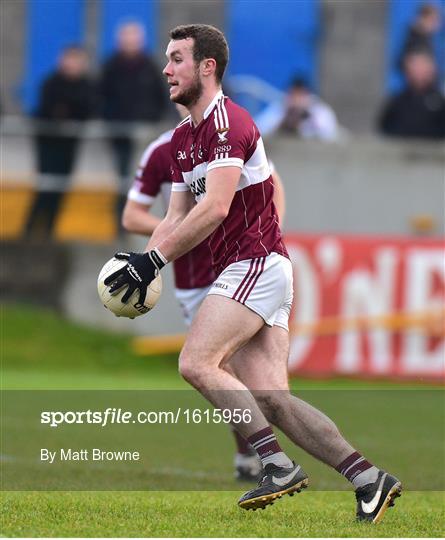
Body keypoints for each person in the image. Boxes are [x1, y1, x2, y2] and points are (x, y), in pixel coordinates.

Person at [105, 24, 401, 522]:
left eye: (177, 58)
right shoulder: (181, 139)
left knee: (196, 363)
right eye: (167, 58)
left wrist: (154, 261)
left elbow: (216, 207)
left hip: (256, 263)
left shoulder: (230, 123)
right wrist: (142, 268)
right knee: (274, 400)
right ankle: (369, 479)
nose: (166, 68)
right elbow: (177, 215)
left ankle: (274, 464)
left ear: (207, 67)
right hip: (254, 268)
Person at [122, 104, 285, 481]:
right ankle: (251, 454)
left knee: (242, 371)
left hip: (243, 264)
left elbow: (272, 182)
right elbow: (132, 216)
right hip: (194, 278)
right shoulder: (164, 150)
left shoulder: (230, 133)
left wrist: (272, 229)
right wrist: (180, 238)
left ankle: (268, 457)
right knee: (218, 367)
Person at [99, 21, 168, 227]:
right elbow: (100, 97)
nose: (130, 43)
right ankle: (122, 223)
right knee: (124, 179)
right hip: (119, 133)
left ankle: (148, 220)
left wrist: (153, 119)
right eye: (126, 39)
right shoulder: (110, 67)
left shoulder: (150, 66)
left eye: (134, 39)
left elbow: (162, 96)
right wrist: (110, 119)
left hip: (146, 134)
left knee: (146, 177)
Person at [24, 46, 96, 239]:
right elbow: (46, 110)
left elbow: (87, 109)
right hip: (48, 144)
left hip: (69, 145)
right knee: (45, 186)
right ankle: (29, 230)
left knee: (61, 188)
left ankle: (49, 230)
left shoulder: (86, 86)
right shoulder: (51, 83)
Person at [379, 50, 445, 139]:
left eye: (423, 66)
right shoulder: (398, 100)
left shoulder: (440, 100)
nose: (420, 71)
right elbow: (385, 127)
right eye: (416, 66)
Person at [255, 78, 340, 141]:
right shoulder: (280, 108)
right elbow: (259, 130)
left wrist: (309, 117)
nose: (297, 99)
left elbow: (330, 134)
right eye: (294, 94)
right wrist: (285, 119)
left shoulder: (319, 110)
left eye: (300, 95)